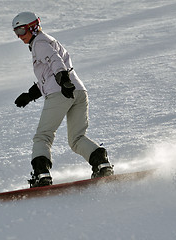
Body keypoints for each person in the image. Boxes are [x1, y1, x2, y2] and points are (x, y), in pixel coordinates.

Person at [12, 12, 114, 188]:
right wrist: (30, 95)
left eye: (22, 30)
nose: (20, 36)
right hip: (78, 92)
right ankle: (101, 164)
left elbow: (55, 61)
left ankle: (41, 174)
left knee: (43, 136)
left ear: (33, 27)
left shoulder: (40, 43)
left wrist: (63, 81)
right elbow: (49, 74)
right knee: (76, 138)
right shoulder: (49, 41)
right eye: (16, 32)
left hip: (61, 91)